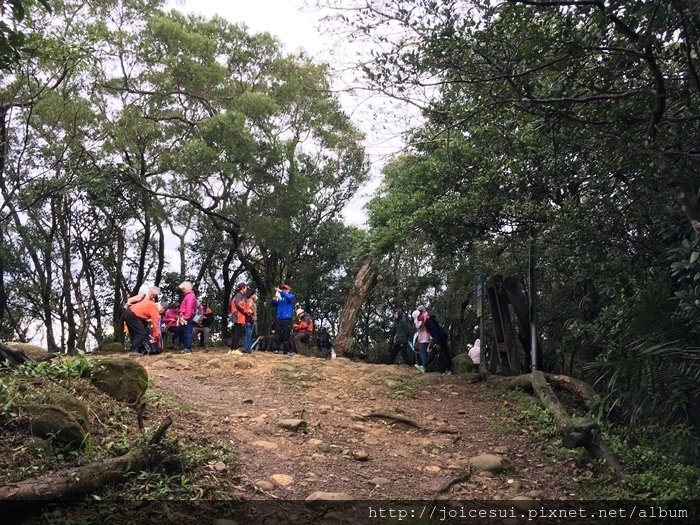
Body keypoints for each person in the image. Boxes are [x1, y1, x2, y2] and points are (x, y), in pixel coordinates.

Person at [416, 305, 453, 375]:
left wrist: (437, 342)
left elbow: (436, 331)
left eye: (418, 315)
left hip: (441, 337)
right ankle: (448, 369)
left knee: (439, 352)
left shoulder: (429, 320)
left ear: (422, 313)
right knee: (444, 352)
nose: (418, 318)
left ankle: (424, 366)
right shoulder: (426, 320)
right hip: (439, 337)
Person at [270, 283, 295, 356]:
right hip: (279, 318)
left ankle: (287, 350)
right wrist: (273, 300)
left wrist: (281, 292)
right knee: (277, 333)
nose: (284, 290)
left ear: (288, 290)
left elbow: (289, 298)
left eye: (285, 289)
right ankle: (275, 349)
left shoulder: (291, 296)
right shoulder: (279, 298)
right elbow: (272, 304)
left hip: (287, 318)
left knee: (286, 334)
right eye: (282, 288)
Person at [230, 282, 251, 353]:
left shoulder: (240, 296)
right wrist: (247, 311)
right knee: (237, 333)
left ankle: (232, 349)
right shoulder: (239, 296)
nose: (246, 289)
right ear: (242, 288)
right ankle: (235, 349)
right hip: (238, 316)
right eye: (246, 288)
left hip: (238, 316)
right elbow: (240, 305)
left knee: (236, 332)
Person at [178, 281, 198, 354]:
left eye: (184, 289)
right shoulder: (188, 295)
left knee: (187, 332)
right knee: (185, 331)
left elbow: (189, 307)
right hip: (185, 316)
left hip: (187, 317)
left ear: (188, 288)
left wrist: (186, 317)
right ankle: (186, 347)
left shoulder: (190, 296)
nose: (183, 290)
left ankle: (187, 348)